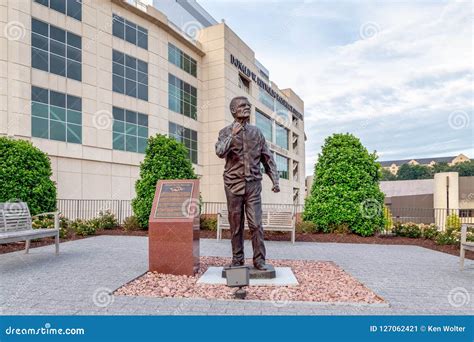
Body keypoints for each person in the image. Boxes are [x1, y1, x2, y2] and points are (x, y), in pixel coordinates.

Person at [215, 96, 280, 270]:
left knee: (256, 224)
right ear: (233, 110)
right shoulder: (224, 132)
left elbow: (267, 158)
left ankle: (259, 260)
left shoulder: (256, 133)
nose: (247, 108)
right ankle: (237, 260)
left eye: (248, 106)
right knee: (236, 226)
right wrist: (232, 135)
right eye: (243, 106)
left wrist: (275, 179)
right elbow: (220, 152)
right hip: (233, 184)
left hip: (253, 186)